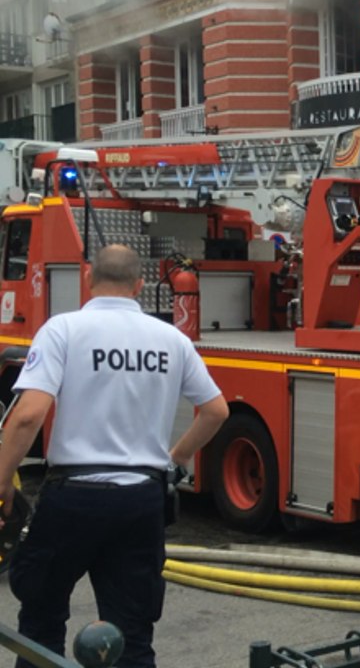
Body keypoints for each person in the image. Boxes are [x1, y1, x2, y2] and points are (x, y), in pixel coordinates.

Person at [0, 244, 229, 668]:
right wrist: (175, 459)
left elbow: (28, 416)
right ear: (139, 285)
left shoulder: (63, 330)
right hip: (141, 501)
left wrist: (2, 485)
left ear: (88, 279)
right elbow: (216, 410)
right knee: (133, 637)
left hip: (72, 498)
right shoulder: (172, 340)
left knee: (41, 623)